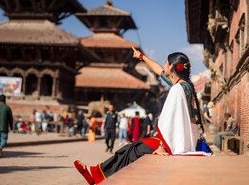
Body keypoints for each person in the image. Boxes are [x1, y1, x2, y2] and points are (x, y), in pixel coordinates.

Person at [74, 49, 210, 184]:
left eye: (166, 63)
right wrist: (142, 57)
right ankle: (97, 173)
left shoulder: (177, 89)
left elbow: (169, 119)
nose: (163, 66)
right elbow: (159, 71)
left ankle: (97, 175)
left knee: (132, 150)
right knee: (130, 149)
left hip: (171, 143)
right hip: (180, 140)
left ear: (172, 67)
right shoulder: (184, 86)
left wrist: (162, 145)